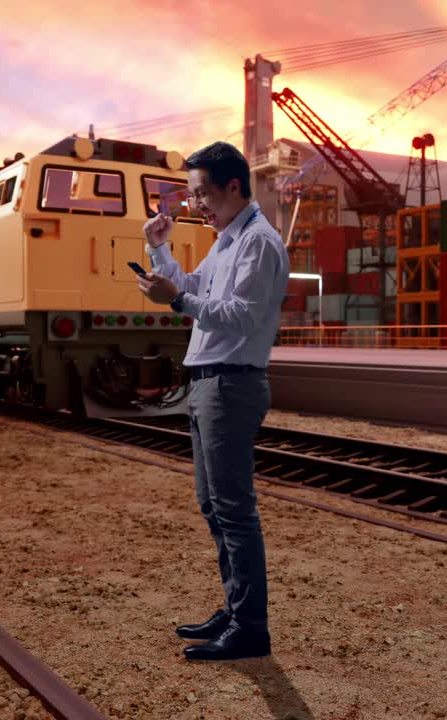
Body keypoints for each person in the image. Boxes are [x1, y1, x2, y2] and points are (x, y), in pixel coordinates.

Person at [137, 141, 288, 661]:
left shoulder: (258, 244)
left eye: (203, 193)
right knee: (213, 505)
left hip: (232, 382)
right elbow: (195, 290)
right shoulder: (226, 241)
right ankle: (235, 607)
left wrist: (176, 299)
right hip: (208, 381)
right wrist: (160, 252)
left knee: (234, 510)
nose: (196, 204)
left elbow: (237, 315)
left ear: (233, 187)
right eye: (192, 194)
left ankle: (250, 629)